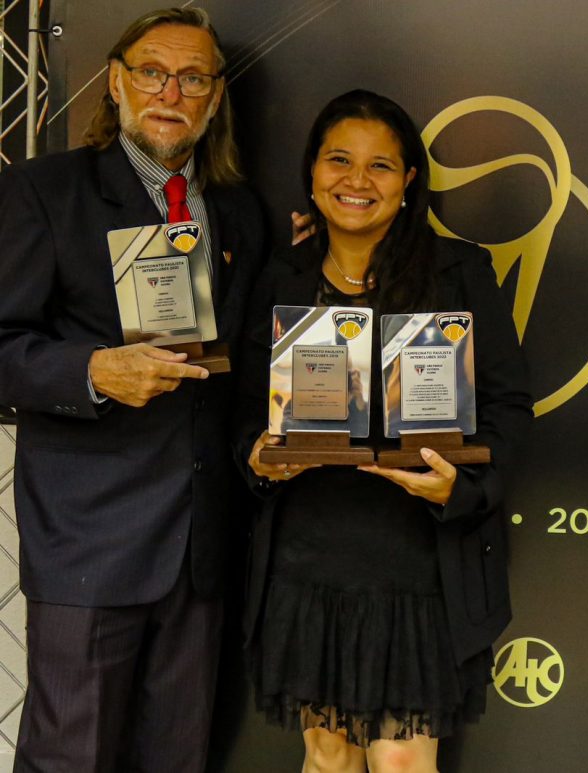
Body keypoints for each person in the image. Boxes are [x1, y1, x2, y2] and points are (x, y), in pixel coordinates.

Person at [0, 8, 266, 772]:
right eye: (152, 72)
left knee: (177, 760)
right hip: (91, 542)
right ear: (116, 82)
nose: (170, 93)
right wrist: (92, 370)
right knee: (71, 758)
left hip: (201, 553)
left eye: (193, 78)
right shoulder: (43, 191)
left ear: (215, 97)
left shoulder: (238, 213)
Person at [237, 90, 532, 773]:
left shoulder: (459, 272)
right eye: (339, 160)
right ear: (312, 171)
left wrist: (461, 486)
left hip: (418, 559)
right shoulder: (281, 276)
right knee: (329, 756)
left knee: (401, 760)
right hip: (310, 556)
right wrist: (258, 457)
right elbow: (246, 408)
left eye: (380, 165)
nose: (357, 180)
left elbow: (510, 405)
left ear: (408, 182)